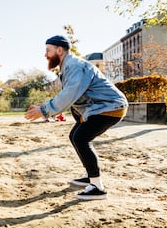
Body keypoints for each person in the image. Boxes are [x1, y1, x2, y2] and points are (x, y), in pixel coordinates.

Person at [25, 35, 128, 200]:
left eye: (48, 51)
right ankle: (90, 175)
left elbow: (69, 95)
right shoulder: (67, 67)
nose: (45, 55)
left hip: (110, 107)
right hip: (100, 107)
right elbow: (74, 98)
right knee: (75, 136)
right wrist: (44, 108)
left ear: (59, 50)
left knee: (81, 138)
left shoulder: (74, 66)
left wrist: (44, 110)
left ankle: (97, 187)